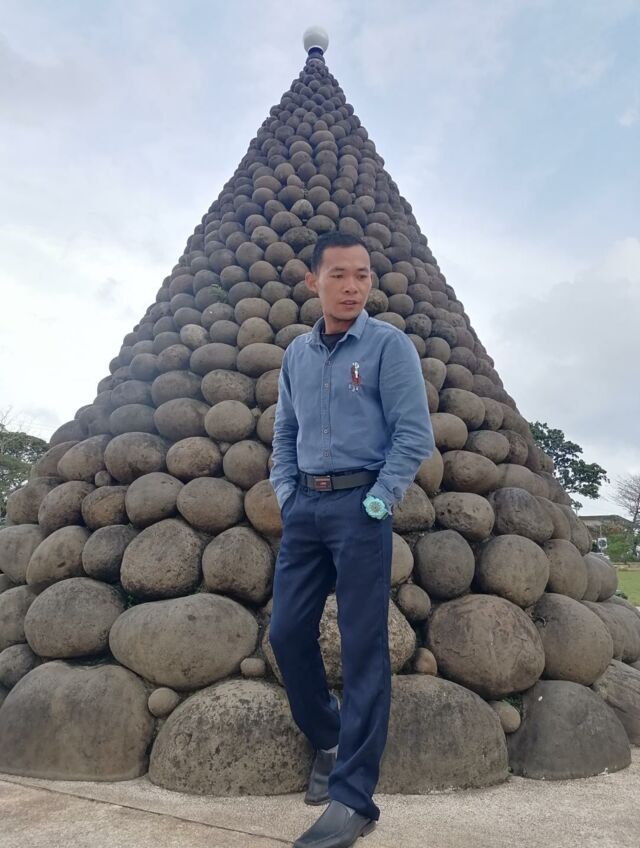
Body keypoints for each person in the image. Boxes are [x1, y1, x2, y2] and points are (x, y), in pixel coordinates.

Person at [269, 231, 435, 848]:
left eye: (362, 275)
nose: (352, 286)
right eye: (338, 274)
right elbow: (285, 431)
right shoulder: (297, 354)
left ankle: (353, 799)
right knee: (287, 633)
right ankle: (329, 736)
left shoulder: (389, 347)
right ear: (313, 280)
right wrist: (286, 492)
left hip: (362, 507)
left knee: (364, 647)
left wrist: (382, 496)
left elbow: (414, 433)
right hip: (305, 508)